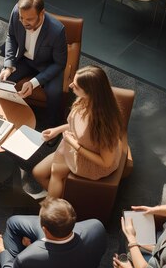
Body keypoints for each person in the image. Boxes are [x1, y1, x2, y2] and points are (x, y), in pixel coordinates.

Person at [32, 65, 123, 198]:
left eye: (76, 86)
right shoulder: (84, 100)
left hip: (90, 161)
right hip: (73, 144)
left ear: (90, 92)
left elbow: (106, 162)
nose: (70, 86)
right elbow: (75, 126)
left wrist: (75, 145)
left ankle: (53, 209)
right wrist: (57, 130)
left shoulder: (104, 125)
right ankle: (64, 202)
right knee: (38, 173)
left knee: (56, 172)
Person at [0, 0, 67, 127]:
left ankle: (52, 125)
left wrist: (34, 82)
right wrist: (8, 65)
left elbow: (60, 64)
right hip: (24, 59)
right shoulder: (17, 12)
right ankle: (7, 118)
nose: (24, 22)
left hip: (48, 65)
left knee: (54, 93)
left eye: (29, 19)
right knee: (3, 81)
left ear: (42, 14)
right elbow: (11, 36)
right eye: (21, 18)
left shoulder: (57, 31)